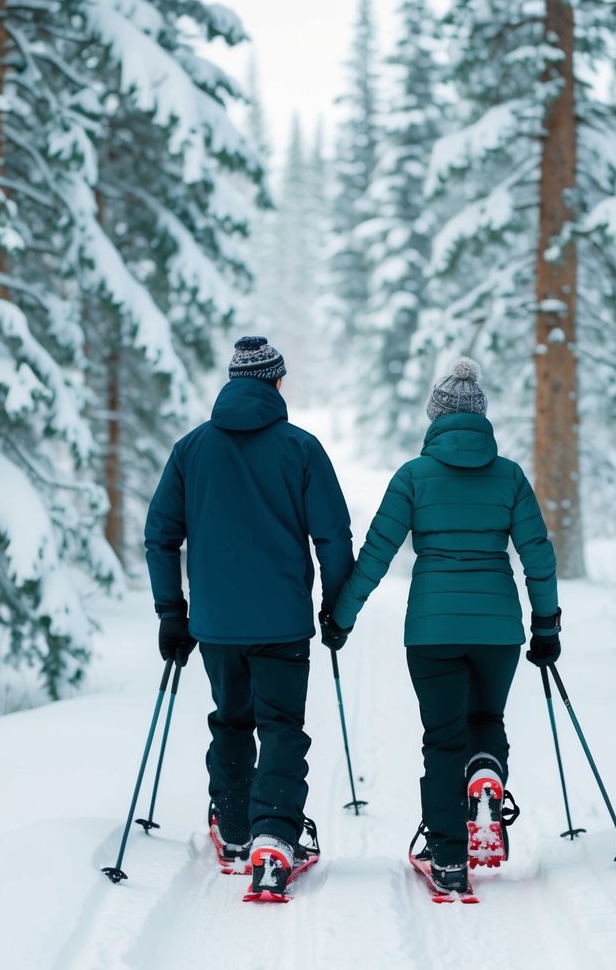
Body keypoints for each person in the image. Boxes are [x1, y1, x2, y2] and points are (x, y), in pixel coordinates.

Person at [322, 357, 560, 895]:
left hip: (431, 632)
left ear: (435, 420)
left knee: (443, 738)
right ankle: (486, 778)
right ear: (482, 419)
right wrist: (546, 623)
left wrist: (342, 616)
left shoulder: (413, 476)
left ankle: (450, 858)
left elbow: (377, 553)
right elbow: (537, 556)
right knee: (486, 717)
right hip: (499, 630)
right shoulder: (511, 477)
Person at [145, 335, 354, 896]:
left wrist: (172, 611)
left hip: (215, 624)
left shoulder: (191, 450)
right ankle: (274, 838)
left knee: (231, 719)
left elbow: (160, 535)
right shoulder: (301, 449)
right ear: (276, 383)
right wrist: (337, 607)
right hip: (283, 623)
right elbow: (333, 536)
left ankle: (235, 828)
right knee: (281, 727)